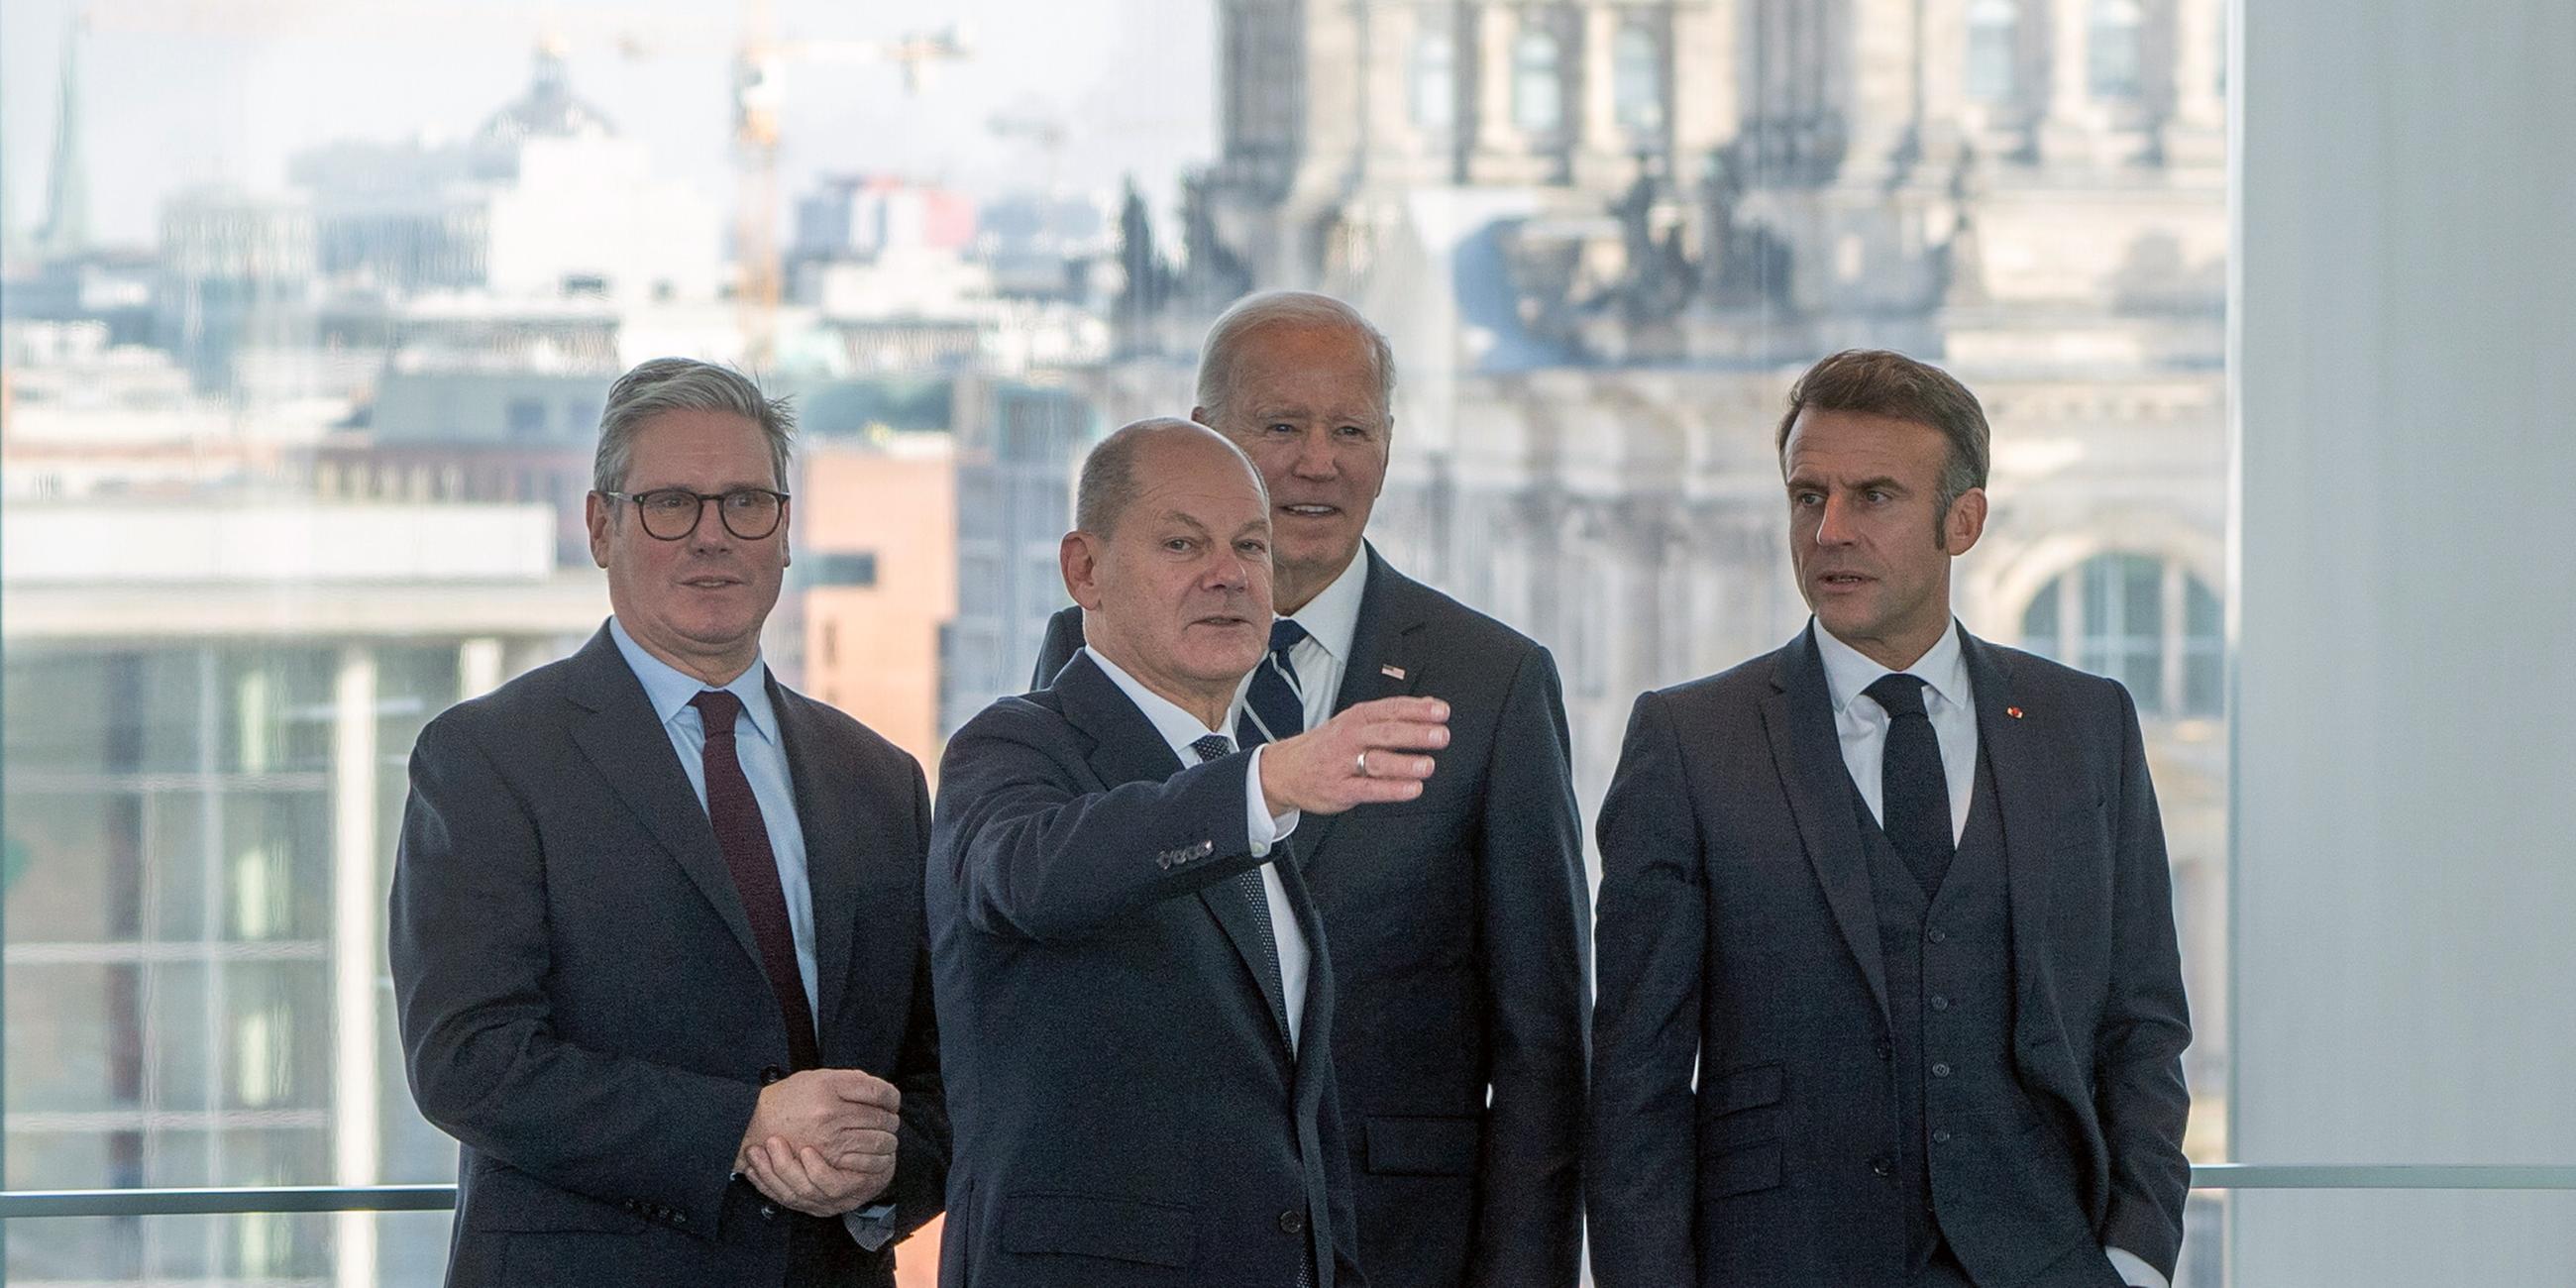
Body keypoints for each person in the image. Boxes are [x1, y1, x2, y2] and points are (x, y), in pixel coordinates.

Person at [1586, 350, 2194, 1288]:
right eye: (1806, 497)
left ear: (1965, 520)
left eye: (1873, 497)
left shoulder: (2085, 724)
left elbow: (2142, 1021)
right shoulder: (1690, 739)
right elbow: (1637, 1081)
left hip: (2049, 1263)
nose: (1829, 531)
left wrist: (2136, 1256)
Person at [1031, 294, 1588, 1288]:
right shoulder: (1088, 643)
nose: (1317, 463)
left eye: (1351, 431)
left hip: (1397, 1244)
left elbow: (1541, 1040)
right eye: (1280, 427)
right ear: (1207, 443)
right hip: (1145, 1239)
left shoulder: (1489, 679)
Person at [390, 358, 946, 1287]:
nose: (712, 537)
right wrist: (742, 1128)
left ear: (786, 532)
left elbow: (940, 1065)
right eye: (670, 504)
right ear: (601, 526)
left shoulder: (880, 779)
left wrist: (892, 1167)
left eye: (745, 503)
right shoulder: (488, 758)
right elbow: (469, 1060)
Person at [935, 417, 1449, 1287]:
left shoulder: (1238, 779)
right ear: (1084, 570)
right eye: (1183, 544)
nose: (1229, 574)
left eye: (1252, 545)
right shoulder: (1016, 748)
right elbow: (1034, 874)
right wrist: (1265, 782)